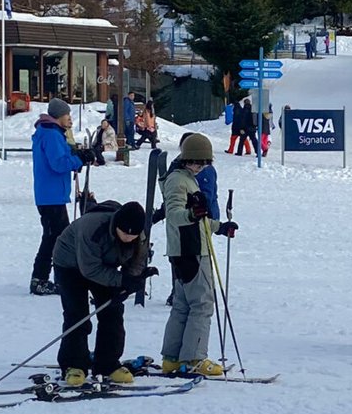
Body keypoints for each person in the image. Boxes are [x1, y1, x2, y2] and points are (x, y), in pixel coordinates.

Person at [159, 132, 238, 376]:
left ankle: (172, 358)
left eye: (205, 163)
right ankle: (194, 357)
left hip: (188, 248)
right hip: (191, 251)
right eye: (198, 162)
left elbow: (200, 219)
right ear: (188, 160)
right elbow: (174, 215)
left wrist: (220, 227)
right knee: (202, 305)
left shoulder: (187, 179)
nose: (201, 167)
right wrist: (192, 215)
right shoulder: (178, 181)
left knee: (183, 305)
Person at [50, 199, 150, 385]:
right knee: (77, 314)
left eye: (133, 235)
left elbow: (137, 260)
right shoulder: (92, 228)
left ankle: (108, 364)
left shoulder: (138, 235)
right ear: (116, 225)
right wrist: (121, 280)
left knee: (112, 312)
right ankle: (74, 364)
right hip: (70, 265)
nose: (129, 238)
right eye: (124, 233)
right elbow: (90, 269)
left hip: (105, 266)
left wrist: (130, 282)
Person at [30, 99, 85, 295]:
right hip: (51, 196)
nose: (70, 120)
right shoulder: (52, 135)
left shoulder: (50, 133)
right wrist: (79, 160)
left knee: (56, 237)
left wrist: (76, 158)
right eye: (67, 116)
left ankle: (49, 278)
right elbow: (58, 164)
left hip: (51, 194)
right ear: (58, 117)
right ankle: (41, 279)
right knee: (55, 239)